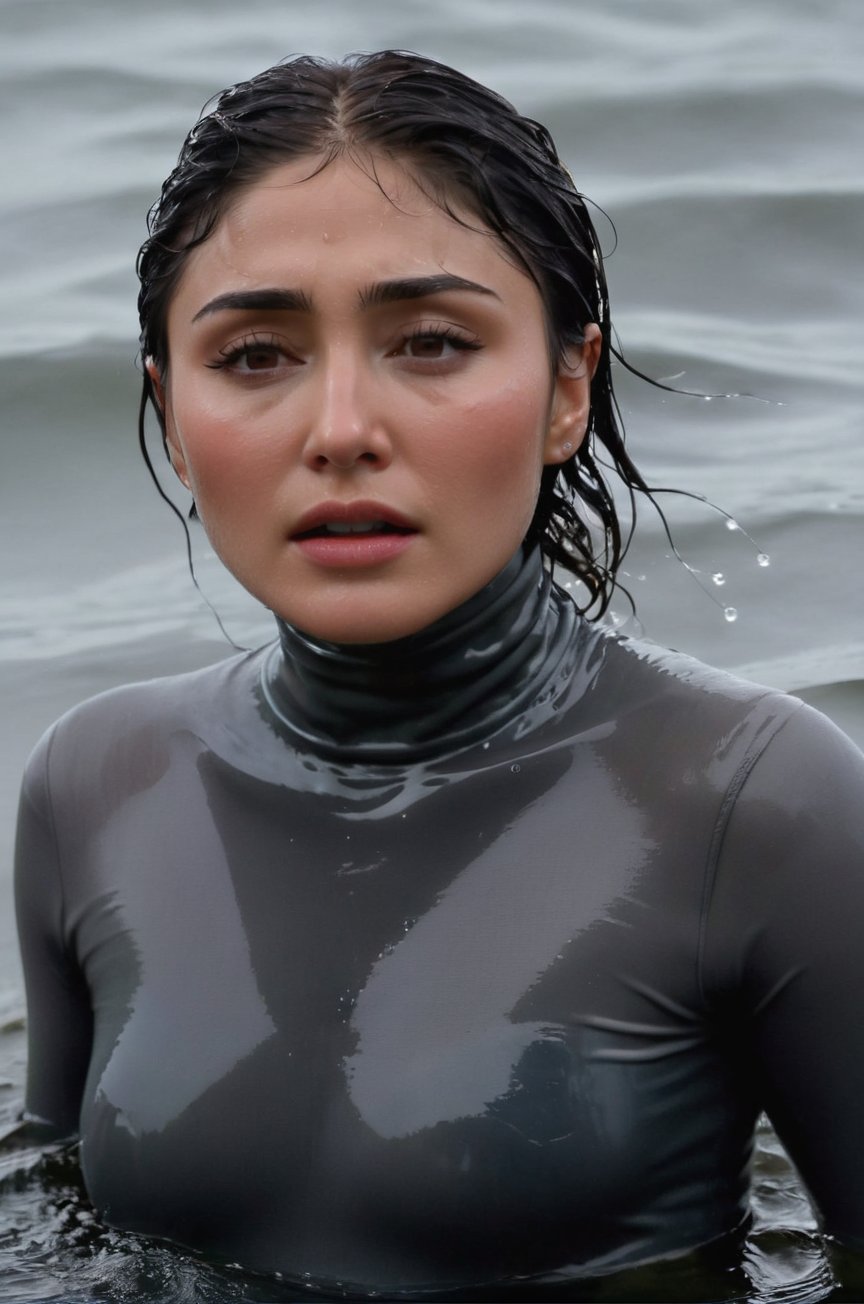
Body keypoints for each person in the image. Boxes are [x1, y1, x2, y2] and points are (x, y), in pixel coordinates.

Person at [13, 50, 864, 1303]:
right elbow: (51, 1237)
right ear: (171, 409)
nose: (341, 425)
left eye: (431, 341)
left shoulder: (756, 805)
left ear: (569, 387)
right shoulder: (97, 785)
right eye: (254, 354)